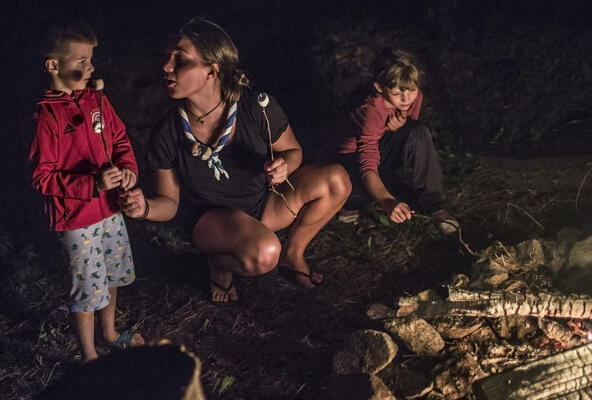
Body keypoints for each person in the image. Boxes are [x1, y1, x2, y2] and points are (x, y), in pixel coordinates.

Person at [118, 17, 351, 302]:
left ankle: (294, 254)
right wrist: (144, 208)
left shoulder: (255, 108)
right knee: (265, 254)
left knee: (336, 180)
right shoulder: (168, 132)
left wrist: (284, 167)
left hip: (264, 203)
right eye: (167, 58)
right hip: (213, 221)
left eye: (180, 60)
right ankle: (219, 264)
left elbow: (293, 151)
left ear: (211, 71)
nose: (166, 67)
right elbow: (169, 203)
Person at [28, 23, 144, 362]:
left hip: (111, 208)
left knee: (112, 271)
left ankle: (108, 333)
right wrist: (90, 184)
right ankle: (89, 356)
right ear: (54, 66)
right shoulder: (45, 116)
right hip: (76, 219)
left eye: (91, 60)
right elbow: (41, 177)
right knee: (87, 286)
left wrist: (128, 171)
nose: (91, 69)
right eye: (82, 61)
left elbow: (120, 139)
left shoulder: (96, 99)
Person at [330, 49, 458, 233]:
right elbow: (366, 161)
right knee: (356, 188)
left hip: (379, 150)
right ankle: (351, 200)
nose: (407, 99)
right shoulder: (370, 112)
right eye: (398, 93)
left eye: (412, 90)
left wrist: (402, 125)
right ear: (380, 87)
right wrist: (387, 201)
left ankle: (434, 205)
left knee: (418, 131)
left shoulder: (413, 94)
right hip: (348, 160)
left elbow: (410, 132)